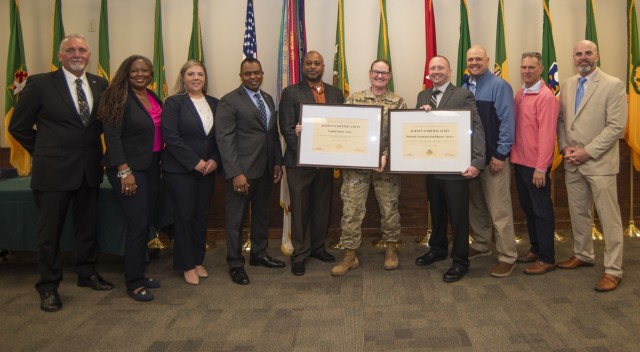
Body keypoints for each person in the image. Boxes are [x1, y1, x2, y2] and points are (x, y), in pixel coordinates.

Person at [8, 34, 113, 312]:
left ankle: (86, 272)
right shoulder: (40, 83)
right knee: (50, 232)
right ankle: (48, 286)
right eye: (70, 50)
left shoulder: (99, 83)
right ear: (60, 56)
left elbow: (99, 126)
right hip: (53, 171)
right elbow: (18, 126)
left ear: (89, 55)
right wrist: (43, 151)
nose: (77, 54)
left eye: (82, 50)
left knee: (87, 226)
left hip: (89, 170)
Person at [556, 40, 627, 292]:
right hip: (572, 161)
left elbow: (616, 126)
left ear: (597, 55)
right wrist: (565, 148)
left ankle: (613, 269)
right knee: (579, 213)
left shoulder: (613, 84)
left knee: (609, 218)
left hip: (599, 163)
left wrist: (587, 152)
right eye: (578, 54)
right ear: (573, 57)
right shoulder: (566, 85)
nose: (583, 57)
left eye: (588, 53)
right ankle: (583, 254)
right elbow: (562, 121)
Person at [331, 59, 406, 276]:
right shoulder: (355, 99)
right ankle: (349, 256)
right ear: (370, 73)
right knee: (351, 211)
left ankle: (391, 250)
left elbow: (400, 134)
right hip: (356, 168)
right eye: (376, 72)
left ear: (389, 76)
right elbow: (341, 128)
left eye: (384, 73)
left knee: (389, 210)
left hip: (386, 168)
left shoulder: (398, 101)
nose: (379, 76)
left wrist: (385, 156)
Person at [413, 55, 485, 282]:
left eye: (440, 68)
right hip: (432, 167)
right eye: (432, 68)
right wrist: (421, 116)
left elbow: (477, 128)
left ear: (450, 71)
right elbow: (417, 129)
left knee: (458, 216)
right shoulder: (423, 95)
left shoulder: (463, 95)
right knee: (437, 211)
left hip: (456, 168)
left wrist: (476, 162)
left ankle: (461, 261)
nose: (436, 71)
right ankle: (438, 248)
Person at [98, 55, 163, 301]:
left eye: (145, 70)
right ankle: (134, 282)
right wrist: (124, 171)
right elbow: (112, 139)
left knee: (145, 221)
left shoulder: (152, 96)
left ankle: (139, 272)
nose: (140, 74)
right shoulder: (117, 97)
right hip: (129, 171)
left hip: (151, 167)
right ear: (126, 72)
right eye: (135, 70)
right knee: (137, 224)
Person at [215, 58, 285, 285]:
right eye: (248, 74)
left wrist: (276, 162)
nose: (253, 77)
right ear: (241, 76)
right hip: (242, 172)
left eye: (257, 73)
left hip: (265, 170)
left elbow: (271, 134)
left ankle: (259, 253)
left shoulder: (267, 98)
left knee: (262, 215)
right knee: (236, 219)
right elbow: (225, 139)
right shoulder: (229, 101)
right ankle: (235, 264)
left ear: (262, 73)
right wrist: (235, 172)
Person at [279, 51, 344, 276]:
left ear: (323, 66)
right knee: (300, 210)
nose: (313, 67)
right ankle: (300, 254)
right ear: (303, 66)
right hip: (300, 163)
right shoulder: (291, 93)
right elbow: (286, 128)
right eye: (309, 63)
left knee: (321, 207)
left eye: (317, 63)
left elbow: (341, 126)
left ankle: (317, 248)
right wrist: (307, 153)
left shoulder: (336, 93)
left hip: (325, 164)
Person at [162, 60, 219, 286]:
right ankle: (186, 264)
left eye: (200, 74)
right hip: (180, 170)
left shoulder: (215, 103)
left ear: (205, 78)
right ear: (183, 78)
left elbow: (219, 136)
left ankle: (197, 260)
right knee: (184, 217)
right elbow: (171, 137)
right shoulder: (174, 103)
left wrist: (214, 160)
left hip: (208, 170)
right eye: (191, 74)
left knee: (200, 216)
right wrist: (195, 162)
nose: (196, 78)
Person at [462, 45, 518, 277]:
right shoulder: (464, 87)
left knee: (499, 209)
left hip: (494, 158)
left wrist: (500, 154)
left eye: (478, 59)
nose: (474, 62)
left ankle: (507, 256)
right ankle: (482, 244)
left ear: (487, 60)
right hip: (473, 159)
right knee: (477, 206)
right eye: (470, 59)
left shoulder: (499, 86)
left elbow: (507, 121)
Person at [512, 52, 560, 275]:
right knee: (528, 208)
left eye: (531, 67)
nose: (526, 71)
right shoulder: (520, 94)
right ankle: (536, 248)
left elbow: (548, 136)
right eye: (523, 67)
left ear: (540, 69)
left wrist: (541, 168)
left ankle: (547, 257)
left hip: (536, 167)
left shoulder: (546, 97)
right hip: (519, 162)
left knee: (541, 211)